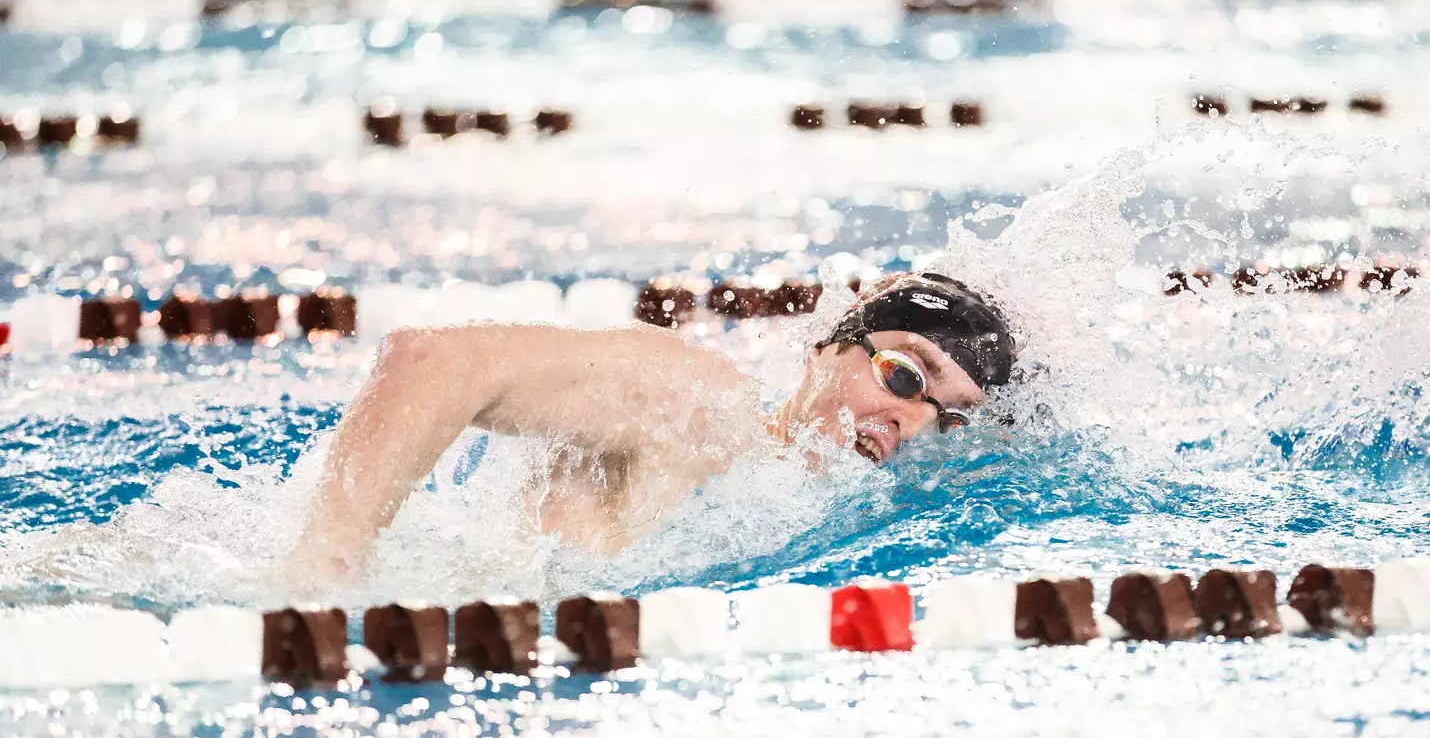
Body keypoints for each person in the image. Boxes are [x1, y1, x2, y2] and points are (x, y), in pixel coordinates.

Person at [289, 272, 1017, 579]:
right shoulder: (702, 411)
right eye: (903, 376)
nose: (909, 423)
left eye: (946, 420)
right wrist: (326, 569)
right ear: (826, 348)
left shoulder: (831, 513)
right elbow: (432, 360)